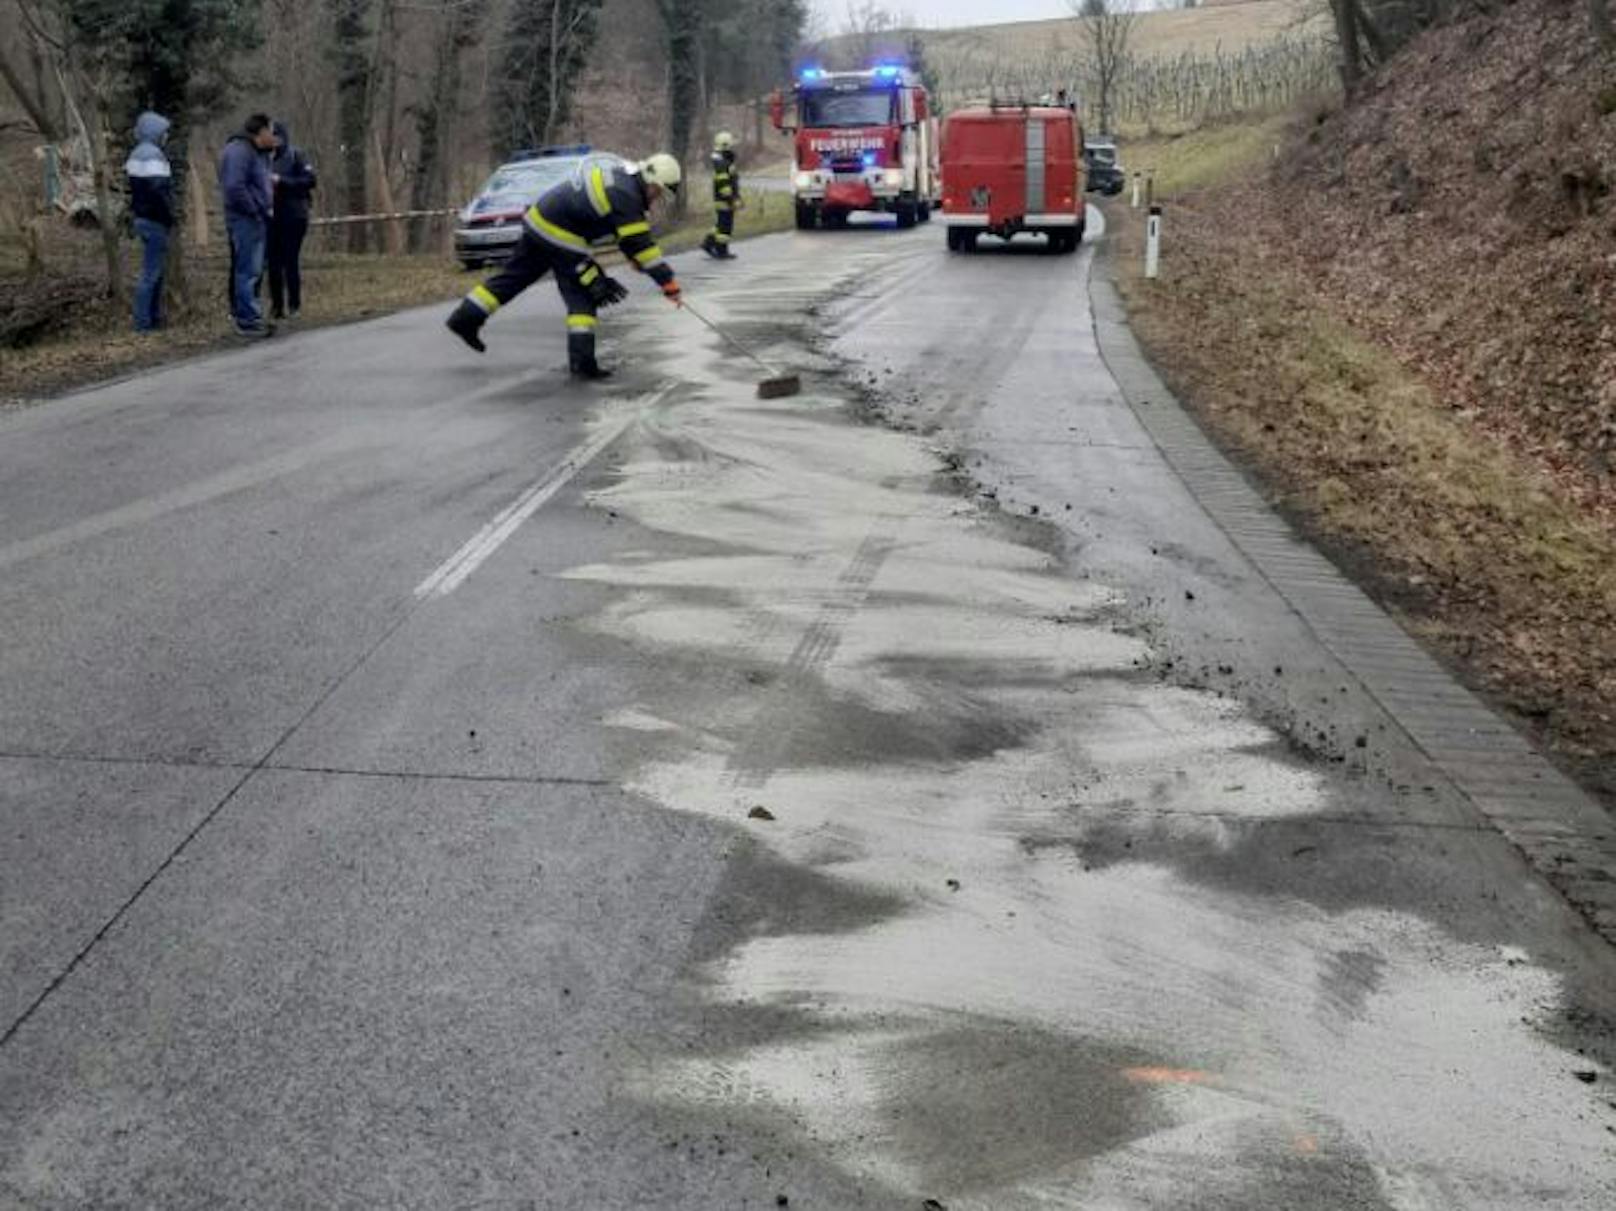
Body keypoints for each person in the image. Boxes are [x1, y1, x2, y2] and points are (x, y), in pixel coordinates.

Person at [444, 153, 686, 380]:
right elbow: (642, 246)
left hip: (539, 221)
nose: (656, 198)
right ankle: (582, 364)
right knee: (585, 291)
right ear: (652, 182)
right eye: (659, 192)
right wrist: (668, 282)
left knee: (514, 277)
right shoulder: (628, 197)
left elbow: (625, 235)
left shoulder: (622, 182)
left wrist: (635, 259)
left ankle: (465, 318)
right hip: (559, 234)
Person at [218, 113, 277, 338]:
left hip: (256, 219)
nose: (274, 136)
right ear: (260, 132)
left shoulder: (256, 153)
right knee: (247, 270)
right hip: (245, 219)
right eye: (271, 131)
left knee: (253, 269)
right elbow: (234, 188)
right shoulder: (239, 151)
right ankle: (247, 319)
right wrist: (254, 209)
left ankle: (252, 315)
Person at [125, 111, 174, 333]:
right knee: (151, 272)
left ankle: (153, 318)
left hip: (141, 218)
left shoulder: (136, 154)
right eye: (164, 132)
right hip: (154, 220)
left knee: (154, 270)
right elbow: (159, 191)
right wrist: (169, 217)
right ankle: (143, 322)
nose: (167, 136)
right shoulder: (153, 155)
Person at [267, 120, 316, 322]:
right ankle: (277, 306)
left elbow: (310, 180)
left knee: (290, 261)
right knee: (273, 264)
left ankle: (294, 304)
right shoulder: (264, 159)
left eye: (277, 136)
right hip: (271, 216)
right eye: (272, 137)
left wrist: (282, 181)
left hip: (294, 215)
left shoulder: (296, 155)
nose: (275, 141)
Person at [701, 131, 740, 260]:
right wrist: (731, 199)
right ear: (726, 145)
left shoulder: (722, 160)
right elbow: (724, 182)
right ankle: (721, 251)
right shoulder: (722, 162)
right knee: (725, 227)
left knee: (721, 224)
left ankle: (708, 243)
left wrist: (736, 196)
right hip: (724, 199)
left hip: (722, 198)